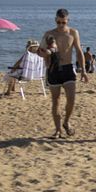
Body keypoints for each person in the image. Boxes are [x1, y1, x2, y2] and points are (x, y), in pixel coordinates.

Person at [40, 9, 83, 138]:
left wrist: (84, 71)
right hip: (54, 69)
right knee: (56, 101)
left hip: (68, 68)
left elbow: (79, 51)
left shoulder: (73, 33)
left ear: (67, 21)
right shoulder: (49, 34)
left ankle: (66, 122)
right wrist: (45, 55)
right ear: (55, 20)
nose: (60, 25)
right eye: (58, 22)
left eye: (63, 22)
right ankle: (58, 130)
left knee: (71, 99)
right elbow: (40, 51)